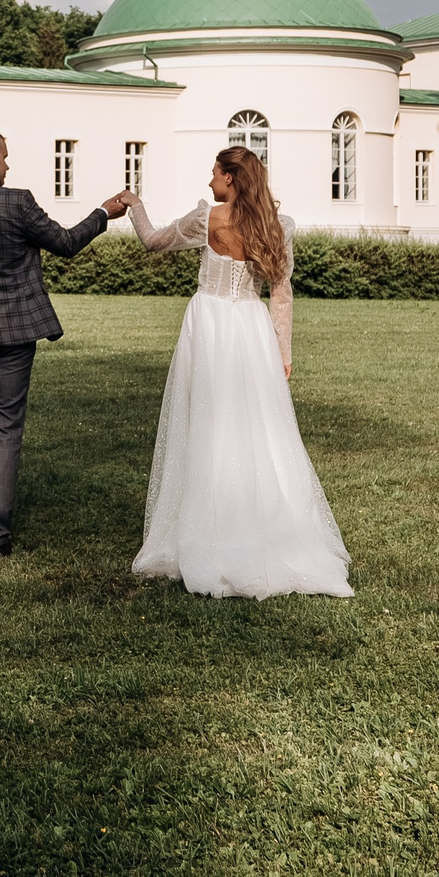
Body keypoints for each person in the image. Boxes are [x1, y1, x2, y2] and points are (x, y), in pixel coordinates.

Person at [123, 145, 352, 598]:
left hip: (208, 324)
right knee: (255, 427)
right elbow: (281, 295)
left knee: (205, 422)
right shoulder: (277, 226)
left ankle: (206, 529)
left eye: (213, 173)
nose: (209, 181)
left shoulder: (205, 218)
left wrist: (135, 205)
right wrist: (283, 352)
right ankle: (262, 527)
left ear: (231, 179)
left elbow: (152, 241)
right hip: (251, 329)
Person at [0, 127, 132, 555]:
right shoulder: (18, 202)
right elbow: (67, 243)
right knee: (4, 428)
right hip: (13, 333)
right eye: (7, 157)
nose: (9, 166)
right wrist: (103, 213)